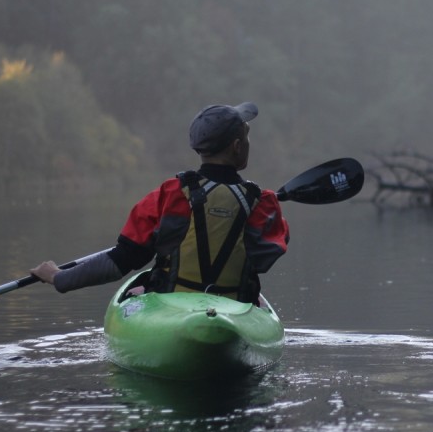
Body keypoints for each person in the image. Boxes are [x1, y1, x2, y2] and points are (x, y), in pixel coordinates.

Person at [30, 102, 289, 304]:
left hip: (173, 306)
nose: (248, 143)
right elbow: (267, 256)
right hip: (234, 308)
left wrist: (57, 277)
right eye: (246, 136)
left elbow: (120, 261)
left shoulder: (170, 194)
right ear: (236, 146)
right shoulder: (262, 202)